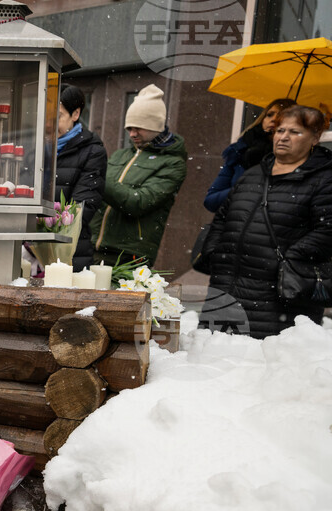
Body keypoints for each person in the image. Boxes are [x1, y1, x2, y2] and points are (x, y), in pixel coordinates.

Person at [198, 105, 332, 339]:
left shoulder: (324, 180)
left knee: (260, 366)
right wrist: (214, 251)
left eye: (295, 132)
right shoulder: (253, 174)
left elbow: (327, 230)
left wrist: (290, 260)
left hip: (279, 300)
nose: (283, 137)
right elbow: (222, 217)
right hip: (225, 289)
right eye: (280, 130)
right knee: (212, 363)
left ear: (315, 138)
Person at [90, 84, 187, 268]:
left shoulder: (173, 164)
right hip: (96, 248)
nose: (132, 134)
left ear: (157, 126)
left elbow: (138, 202)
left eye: (139, 128)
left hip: (129, 256)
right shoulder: (121, 155)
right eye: (129, 128)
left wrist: (97, 178)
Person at [203, 98, 295, 213]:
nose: (273, 119)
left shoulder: (293, 159)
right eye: (269, 115)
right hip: (235, 225)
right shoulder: (240, 151)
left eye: (281, 116)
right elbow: (211, 201)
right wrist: (244, 189)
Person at [52, 85, 107, 270]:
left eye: (57, 117)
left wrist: (42, 228)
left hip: (70, 253)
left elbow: (80, 210)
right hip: (29, 248)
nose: (48, 124)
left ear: (75, 114)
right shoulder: (38, 149)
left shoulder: (93, 152)